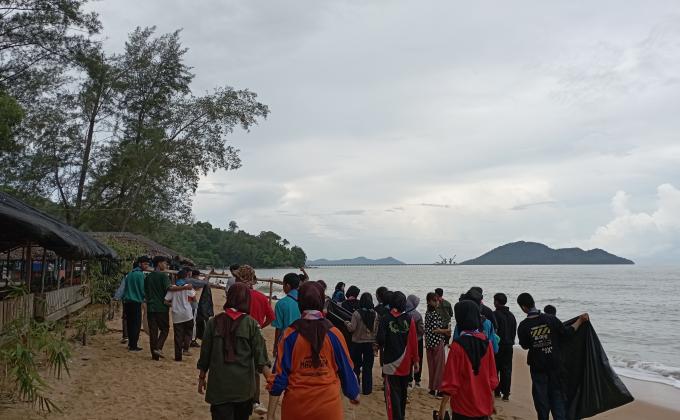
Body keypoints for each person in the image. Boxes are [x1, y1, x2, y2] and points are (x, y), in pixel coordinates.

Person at [267, 282, 360, 420]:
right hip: (328, 409)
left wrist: (271, 413)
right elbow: (346, 368)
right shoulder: (334, 334)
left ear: (299, 303)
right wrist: (353, 393)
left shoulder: (289, 335)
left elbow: (279, 376)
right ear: (322, 302)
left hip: (296, 408)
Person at [197, 282, 270, 420]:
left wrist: (201, 378)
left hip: (219, 387)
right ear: (247, 300)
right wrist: (271, 380)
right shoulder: (252, 324)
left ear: (229, 297)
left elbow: (205, 355)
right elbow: (261, 358)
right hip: (243, 389)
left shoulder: (213, 322)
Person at [516, 292, 589, 420]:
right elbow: (567, 334)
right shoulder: (551, 319)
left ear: (523, 307)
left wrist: (537, 340)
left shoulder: (523, 326)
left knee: (541, 402)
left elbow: (525, 346)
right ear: (533, 303)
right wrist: (580, 321)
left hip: (538, 368)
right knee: (557, 399)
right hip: (555, 366)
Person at [438, 300, 499, 420]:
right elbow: (492, 378)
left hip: (462, 406)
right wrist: (492, 402)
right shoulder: (488, 344)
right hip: (483, 405)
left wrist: (442, 407)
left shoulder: (457, 347)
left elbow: (451, 381)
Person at [233, 265, 275, 416]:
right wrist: (260, 326)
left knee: (238, 366)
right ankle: (255, 400)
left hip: (239, 335)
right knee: (257, 369)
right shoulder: (261, 297)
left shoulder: (237, 296)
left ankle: (241, 398)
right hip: (257, 335)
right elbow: (271, 317)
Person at [376, 291, 420, 420]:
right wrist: (416, 361)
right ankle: (401, 416)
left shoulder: (385, 318)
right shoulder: (409, 319)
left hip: (390, 363)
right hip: (406, 363)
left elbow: (380, 340)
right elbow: (413, 342)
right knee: (402, 394)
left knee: (392, 396)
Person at [145, 256, 192, 360]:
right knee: (165, 329)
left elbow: (146, 292)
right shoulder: (163, 276)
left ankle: (154, 356)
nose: (166, 265)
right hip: (161, 308)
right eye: (165, 263)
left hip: (150, 307)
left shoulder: (148, 277)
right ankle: (158, 348)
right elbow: (170, 288)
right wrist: (185, 287)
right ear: (159, 264)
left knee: (153, 331)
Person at [345, 292, 378, 395]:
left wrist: (347, 323)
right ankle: (367, 390)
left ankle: (355, 387)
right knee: (368, 367)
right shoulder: (375, 314)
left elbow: (352, 328)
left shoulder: (356, 314)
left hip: (357, 343)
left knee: (355, 366)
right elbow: (376, 330)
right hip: (370, 343)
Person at [164, 269, 196, 361]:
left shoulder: (173, 288)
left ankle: (178, 357)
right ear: (186, 277)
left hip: (176, 315)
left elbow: (165, 301)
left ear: (177, 277)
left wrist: (173, 304)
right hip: (187, 314)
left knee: (178, 336)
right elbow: (194, 298)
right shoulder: (188, 287)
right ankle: (185, 349)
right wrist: (189, 303)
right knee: (188, 332)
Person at [122, 256, 149, 351]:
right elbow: (143, 290)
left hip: (127, 302)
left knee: (129, 324)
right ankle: (133, 346)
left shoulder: (130, 274)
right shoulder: (140, 275)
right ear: (140, 264)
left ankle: (130, 344)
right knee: (136, 325)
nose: (146, 266)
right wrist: (147, 298)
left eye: (147, 264)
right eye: (145, 264)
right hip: (136, 302)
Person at [493, 292, 517, 401]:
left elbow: (493, 331)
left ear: (497, 302)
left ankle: (497, 391)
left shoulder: (495, 314)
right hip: (509, 345)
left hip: (498, 345)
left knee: (496, 368)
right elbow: (513, 331)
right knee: (507, 369)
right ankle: (506, 393)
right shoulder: (511, 315)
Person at [424, 292, 449, 397]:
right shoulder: (435, 313)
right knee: (439, 367)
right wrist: (446, 331)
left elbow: (429, 329)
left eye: (437, 300)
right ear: (429, 301)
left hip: (429, 342)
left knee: (432, 367)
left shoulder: (427, 313)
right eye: (435, 300)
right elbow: (435, 329)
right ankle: (439, 390)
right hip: (437, 342)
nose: (437, 302)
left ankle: (432, 389)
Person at [272, 273, 301, 353]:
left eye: (283, 285)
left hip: (286, 341)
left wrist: (275, 346)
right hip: (302, 341)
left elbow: (278, 328)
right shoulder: (304, 300)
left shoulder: (281, 303)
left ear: (287, 285)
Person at [405, 294, 425, 388]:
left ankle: (409, 380)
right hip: (418, 340)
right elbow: (421, 329)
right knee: (418, 359)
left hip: (407, 341)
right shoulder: (417, 315)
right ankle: (417, 381)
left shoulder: (404, 314)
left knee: (409, 360)